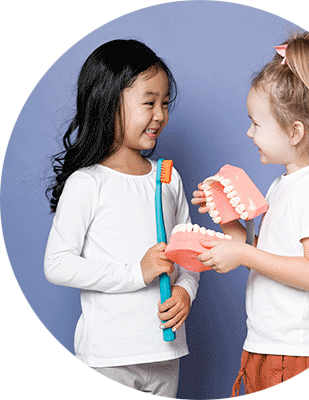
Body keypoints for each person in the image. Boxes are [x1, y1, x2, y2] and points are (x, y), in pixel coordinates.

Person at [192, 32, 309, 395]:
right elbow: (273, 257)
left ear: (295, 132)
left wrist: (244, 252)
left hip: (296, 356)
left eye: (257, 123)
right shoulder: (284, 184)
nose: (249, 133)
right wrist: (236, 227)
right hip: (268, 346)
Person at [44, 39, 199, 397]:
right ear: (108, 103)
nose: (160, 115)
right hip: (107, 357)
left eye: (164, 104)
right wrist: (136, 272)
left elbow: (188, 256)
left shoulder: (168, 178)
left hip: (165, 352)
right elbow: (57, 264)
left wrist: (185, 290)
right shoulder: (87, 183)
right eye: (149, 103)